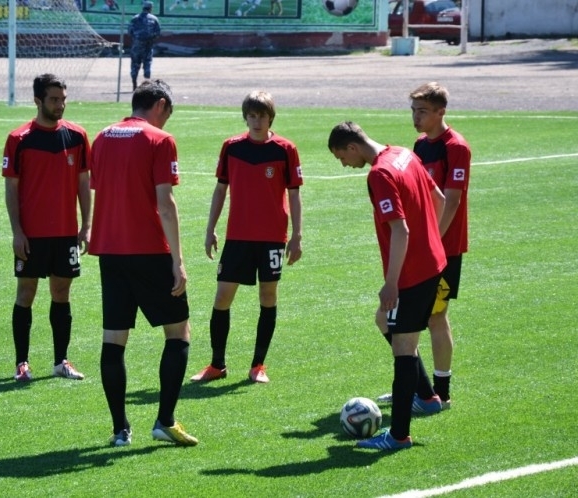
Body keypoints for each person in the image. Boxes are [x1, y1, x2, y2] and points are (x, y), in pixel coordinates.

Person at [89, 79, 198, 447]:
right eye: (168, 114)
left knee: (114, 339)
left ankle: (120, 429)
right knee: (179, 333)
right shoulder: (159, 140)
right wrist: (177, 261)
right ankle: (165, 420)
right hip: (149, 250)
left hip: (110, 251)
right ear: (161, 105)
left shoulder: (102, 137)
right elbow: (165, 204)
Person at [327, 121, 447, 450]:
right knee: (384, 320)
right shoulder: (404, 154)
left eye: (341, 157)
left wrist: (391, 283)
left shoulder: (379, 174)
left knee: (403, 348)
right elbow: (438, 199)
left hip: (412, 274)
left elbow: (400, 229)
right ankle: (427, 397)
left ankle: (398, 436)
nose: (344, 164)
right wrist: (429, 243)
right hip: (433, 262)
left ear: (352, 147)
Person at [190, 90, 303, 384]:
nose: (256, 121)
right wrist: (210, 228)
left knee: (268, 296)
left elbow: (294, 194)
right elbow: (220, 190)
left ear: (270, 118)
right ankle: (217, 365)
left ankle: (258, 365)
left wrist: (297, 235)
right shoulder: (231, 147)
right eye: (252, 116)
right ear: (245, 117)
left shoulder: (285, 149)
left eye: (262, 116)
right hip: (237, 237)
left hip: (272, 237)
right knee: (222, 297)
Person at [377, 82, 471, 409]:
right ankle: (417, 386)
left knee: (436, 317)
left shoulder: (456, 147)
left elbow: (452, 200)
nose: (416, 117)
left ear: (441, 112)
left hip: (444, 250)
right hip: (422, 250)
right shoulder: (419, 145)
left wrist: (433, 242)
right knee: (403, 320)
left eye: (423, 111)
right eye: (413, 110)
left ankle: (440, 393)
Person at [2, 74, 91, 383]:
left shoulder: (77, 136)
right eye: (54, 99)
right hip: (31, 234)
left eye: (63, 99)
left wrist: (86, 225)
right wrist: (17, 232)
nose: (60, 105)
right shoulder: (19, 139)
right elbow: (11, 189)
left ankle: (60, 361)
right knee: (26, 293)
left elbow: (83, 184)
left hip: (65, 233)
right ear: (38, 100)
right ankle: (21, 363)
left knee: (61, 293)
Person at [127, 1, 161, 92]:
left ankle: (134, 83)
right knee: (147, 63)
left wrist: (136, 39)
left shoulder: (134, 18)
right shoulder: (154, 19)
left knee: (135, 64)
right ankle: (147, 84)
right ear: (151, 8)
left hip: (137, 45)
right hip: (148, 45)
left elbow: (129, 32)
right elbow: (158, 33)